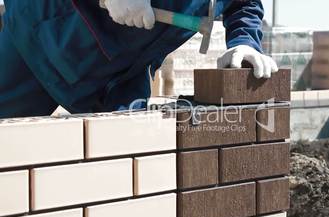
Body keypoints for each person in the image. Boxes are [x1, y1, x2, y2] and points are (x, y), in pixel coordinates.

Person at [0, 0, 278, 119]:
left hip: (121, 77)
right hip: (44, 38)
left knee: (127, 172)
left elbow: (244, 4)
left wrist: (245, 42)